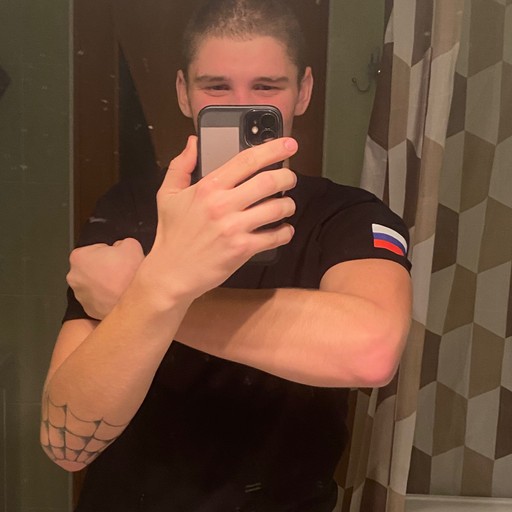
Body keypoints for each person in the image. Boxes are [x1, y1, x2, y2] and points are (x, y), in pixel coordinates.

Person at [40, 1, 412, 510]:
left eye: (266, 88)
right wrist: (159, 289)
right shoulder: (131, 208)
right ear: (183, 93)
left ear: (303, 91)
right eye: (216, 87)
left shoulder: (346, 214)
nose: (241, 106)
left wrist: (151, 296)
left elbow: (371, 351)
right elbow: (67, 447)